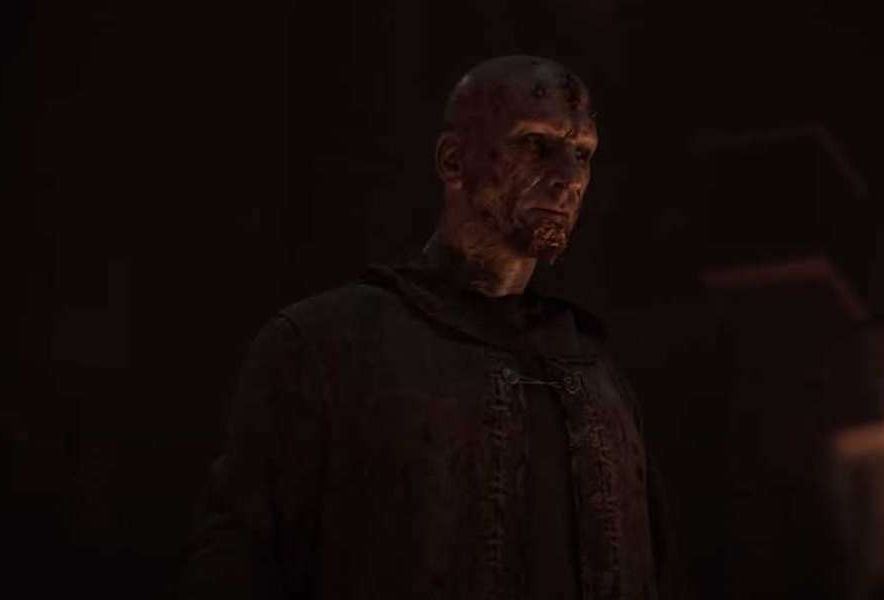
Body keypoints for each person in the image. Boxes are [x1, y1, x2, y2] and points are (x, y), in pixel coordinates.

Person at [181, 55, 684, 600]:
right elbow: (236, 565)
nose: (568, 179)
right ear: (453, 160)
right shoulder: (326, 347)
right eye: (535, 145)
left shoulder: (596, 374)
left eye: (582, 153)